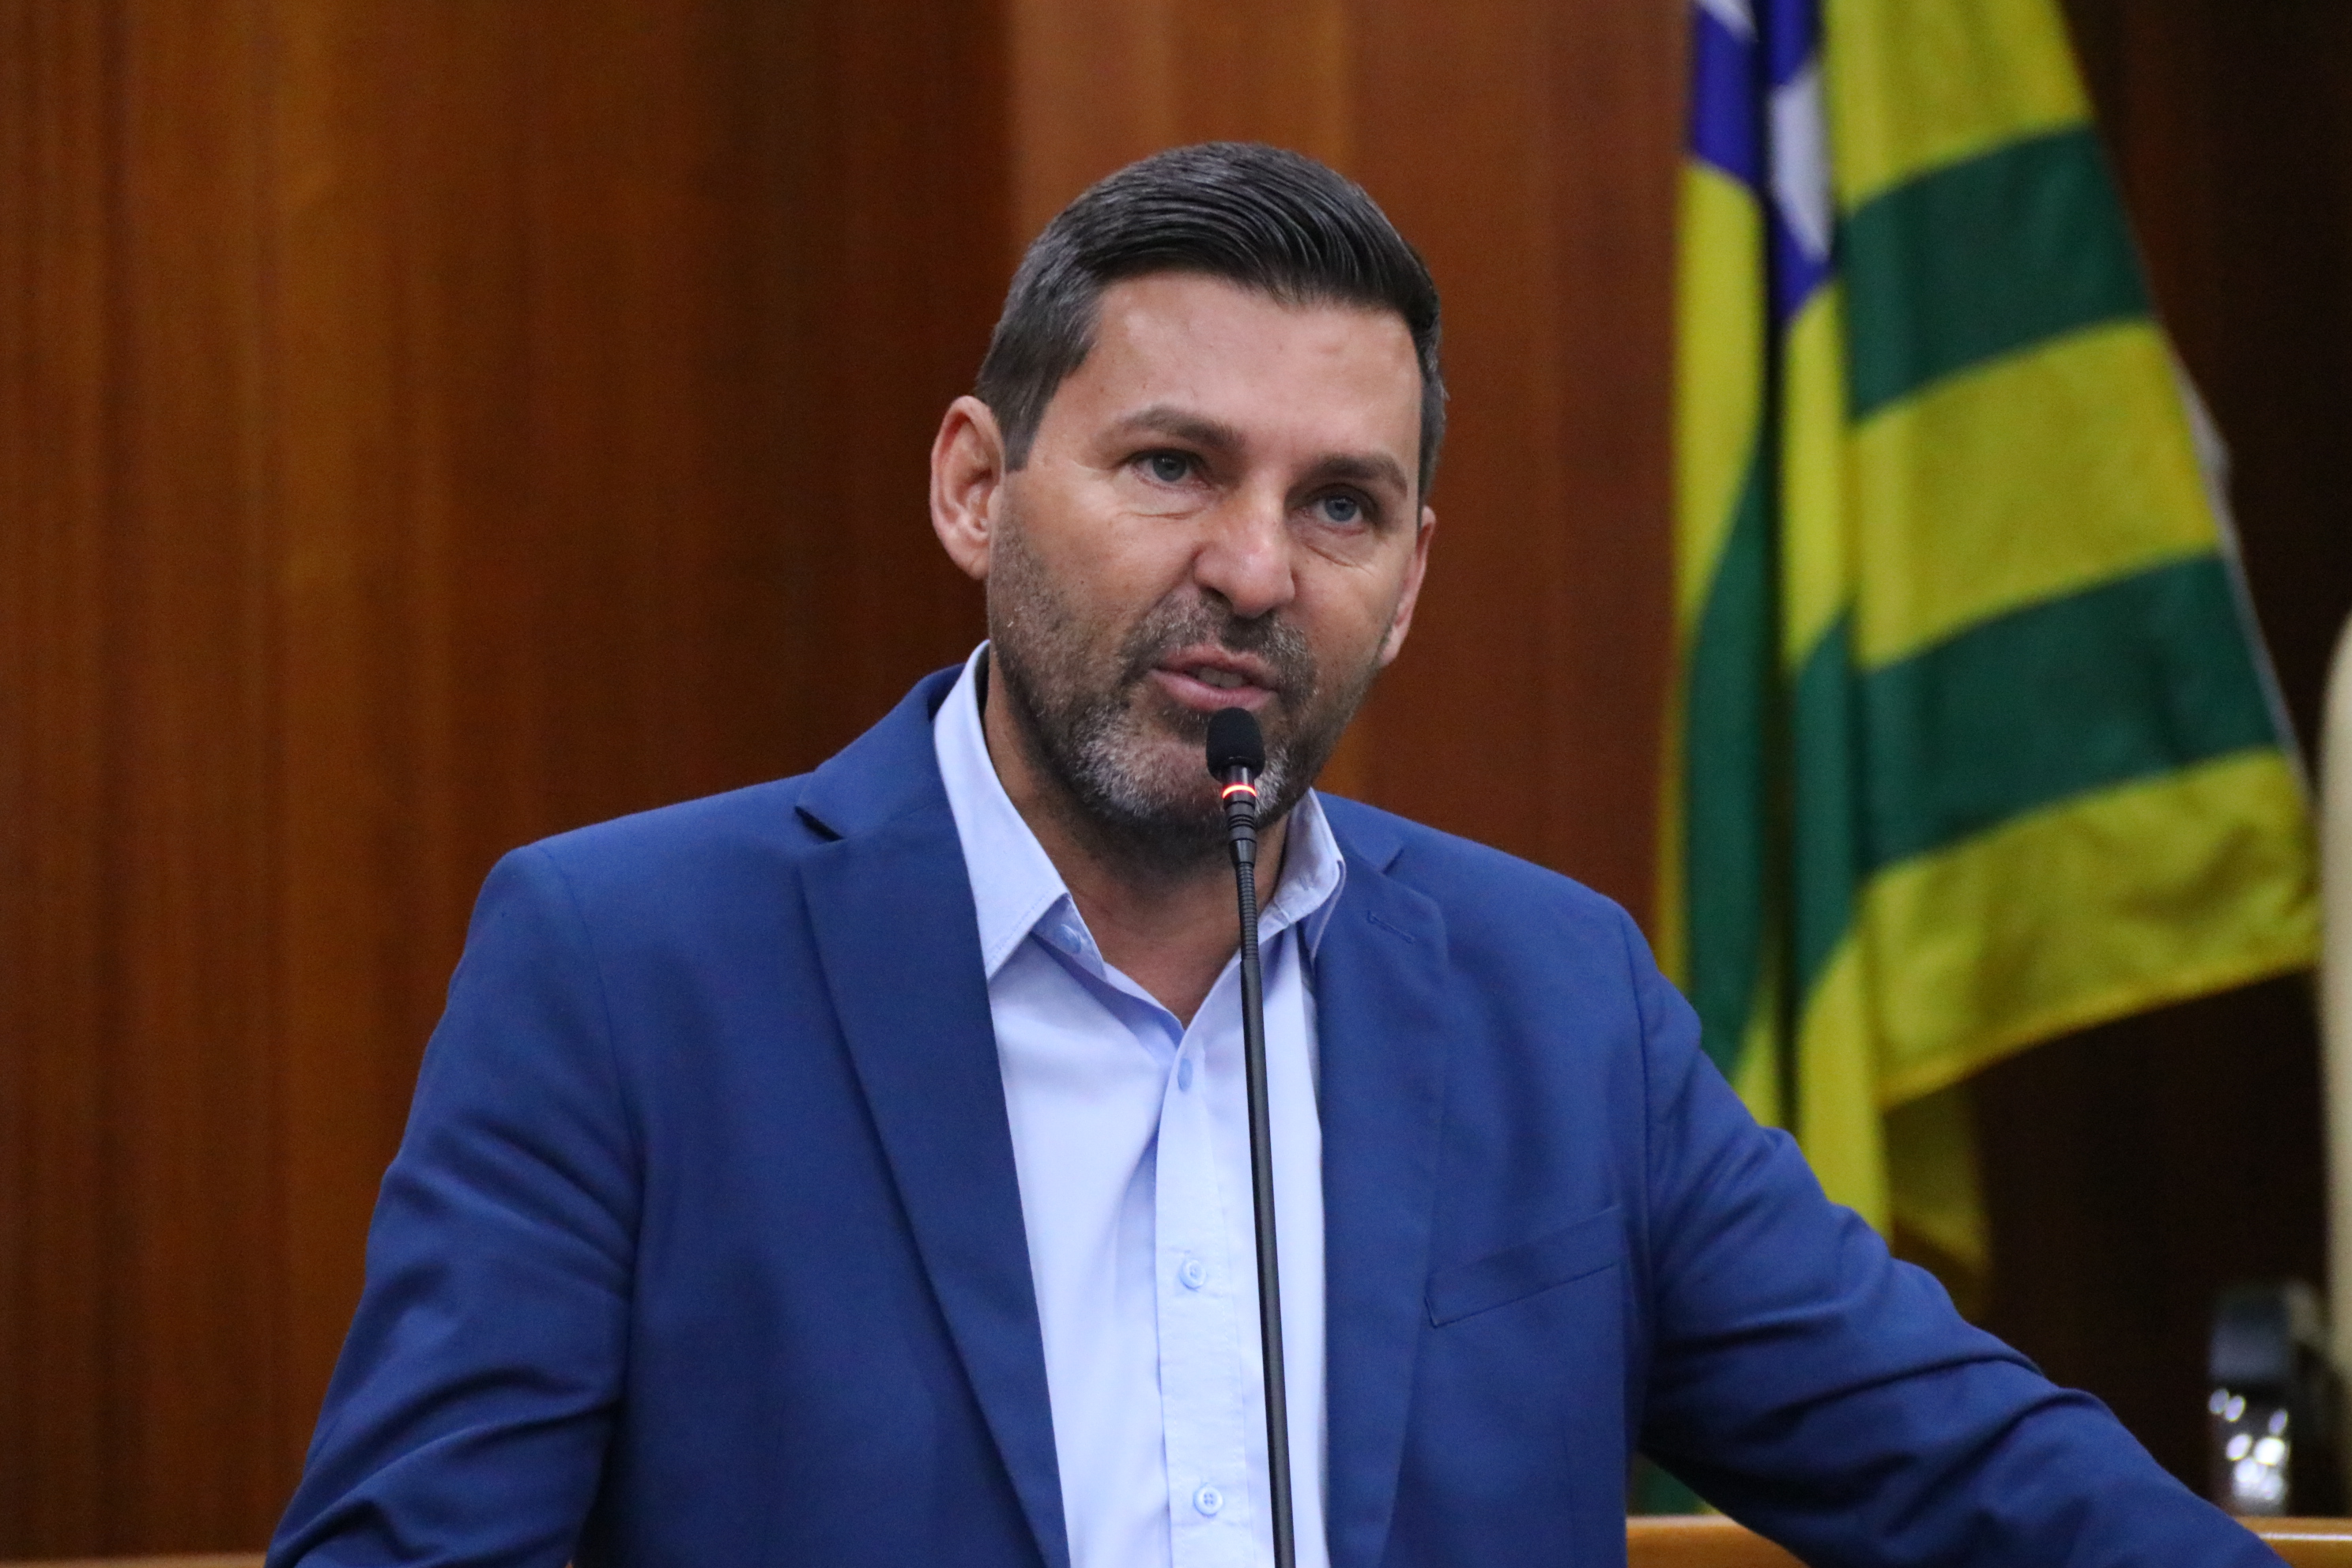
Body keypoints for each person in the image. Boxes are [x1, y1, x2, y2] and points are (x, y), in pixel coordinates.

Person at [269, 142, 2275, 1568]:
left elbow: (1970, 1468)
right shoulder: (627, 967)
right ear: (975, 485)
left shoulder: (1551, 996)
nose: (1252, 567)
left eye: (1340, 505)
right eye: (1172, 465)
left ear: (1410, 581)